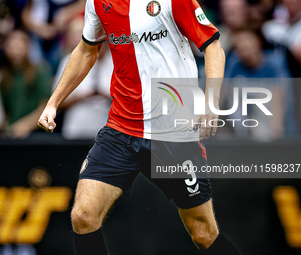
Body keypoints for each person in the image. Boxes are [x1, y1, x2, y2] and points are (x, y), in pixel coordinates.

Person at [38, 0, 240, 255]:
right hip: (121, 128)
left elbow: (213, 46)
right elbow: (86, 51)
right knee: (83, 215)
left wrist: (211, 100)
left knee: (203, 234)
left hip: (173, 130)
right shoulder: (98, 3)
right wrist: (53, 103)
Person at [52, 17, 112, 139]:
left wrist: (107, 96)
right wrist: (81, 98)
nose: (100, 46)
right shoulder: (70, 60)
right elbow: (56, 102)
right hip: (75, 129)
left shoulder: (117, 63)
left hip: (108, 132)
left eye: (103, 42)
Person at [0, 30, 51, 138]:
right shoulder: (4, 76)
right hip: (11, 132)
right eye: (12, 47)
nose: (15, 51)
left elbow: (45, 106)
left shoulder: (39, 71)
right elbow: (5, 110)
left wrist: (25, 126)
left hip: (36, 133)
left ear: (27, 47)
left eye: (19, 46)